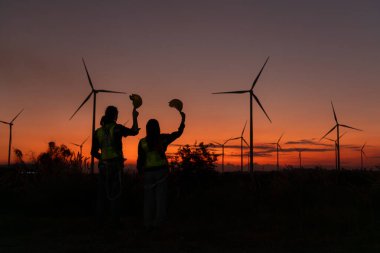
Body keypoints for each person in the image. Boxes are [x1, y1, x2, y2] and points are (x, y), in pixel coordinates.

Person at [92, 105, 140, 227]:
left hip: (103, 166)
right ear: (115, 116)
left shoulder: (98, 132)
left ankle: (99, 221)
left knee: (102, 194)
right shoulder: (117, 128)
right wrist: (134, 117)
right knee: (115, 193)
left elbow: (93, 152)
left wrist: (102, 159)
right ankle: (115, 221)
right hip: (115, 166)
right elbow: (134, 131)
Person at [137, 111, 186, 229]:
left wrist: (140, 173)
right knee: (161, 199)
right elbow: (178, 134)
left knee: (148, 199)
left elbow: (140, 159)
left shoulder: (142, 142)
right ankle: (159, 224)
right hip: (161, 173)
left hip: (148, 173)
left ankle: (147, 223)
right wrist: (182, 120)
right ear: (158, 128)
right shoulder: (163, 138)